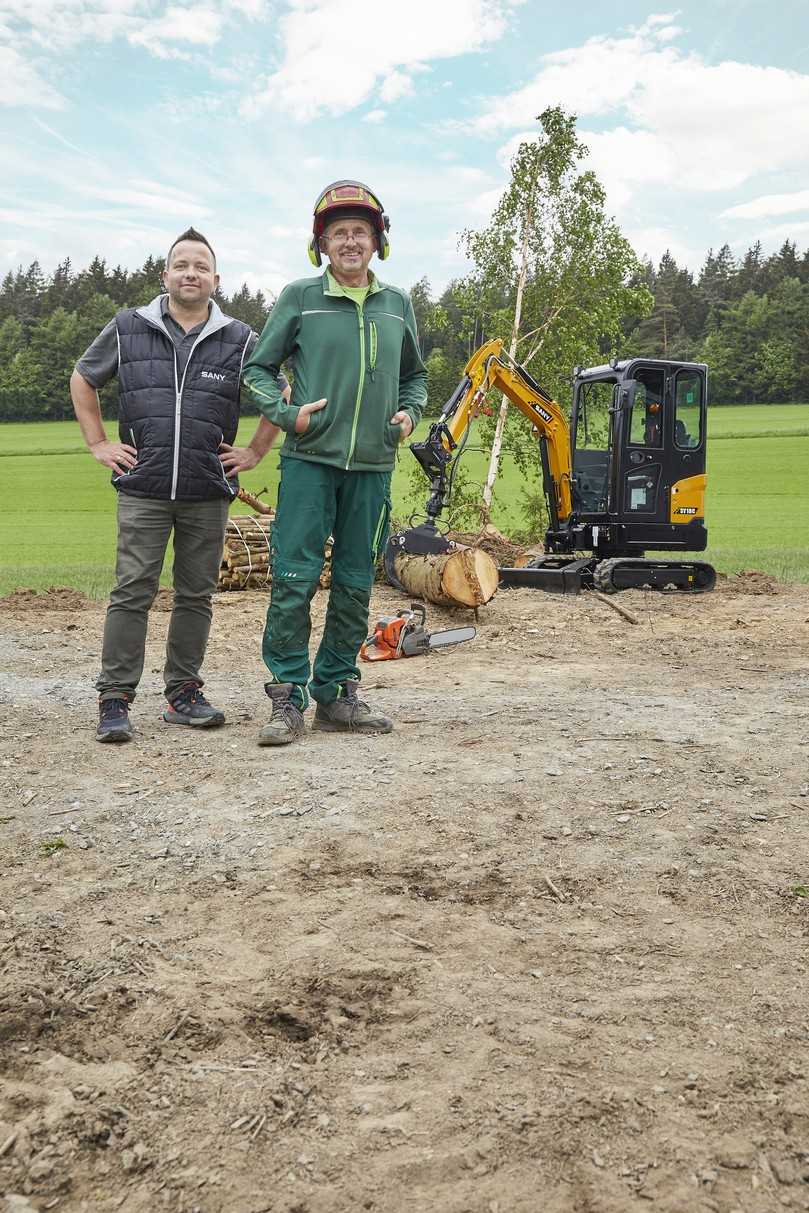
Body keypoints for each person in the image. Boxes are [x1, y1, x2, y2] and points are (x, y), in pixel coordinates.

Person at [70, 227, 285, 743]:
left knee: (196, 595)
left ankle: (183, 694)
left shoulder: (242, 339)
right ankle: (115, 698)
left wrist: (255, 450)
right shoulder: (127, 327)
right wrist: (98, 444)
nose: (191, 273)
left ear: (216, 279)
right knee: (132, 591)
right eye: (181, 265)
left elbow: (280, 391)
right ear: (165, 275)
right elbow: (83, 377)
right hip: (142, 488)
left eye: (201, 266)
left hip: (208, 490)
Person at [242, 180, 427, 745]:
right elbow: (257, 369)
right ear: (321, 243)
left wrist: (410, 414)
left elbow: (414, 377)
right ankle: (286, 699)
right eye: (339, 233)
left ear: (378, 242)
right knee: (294, 580)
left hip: (372, 467)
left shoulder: (397, 305)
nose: (350, 242)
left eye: (361, 232)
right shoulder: (300, 296)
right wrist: (287, 412)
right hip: (308, 462)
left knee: (353, 582)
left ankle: (337, 693)